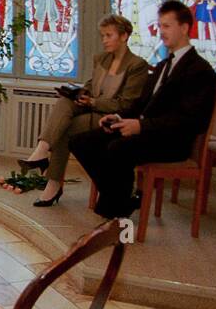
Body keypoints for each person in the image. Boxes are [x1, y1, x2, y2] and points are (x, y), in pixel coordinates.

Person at [70, 0, 216, 219]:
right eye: (160, 26)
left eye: (167, 26)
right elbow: (142, 103)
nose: (161, 32)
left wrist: (141, 126)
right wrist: (118, 117)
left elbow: (189, 119)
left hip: (171, 140)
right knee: (81, 142)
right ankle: (122, 200)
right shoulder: (163, 65)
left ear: (185, 28)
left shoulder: (199, 70)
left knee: (117, 148)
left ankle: (114, 212)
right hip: (149, 131)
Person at [18, 15, 150, 206]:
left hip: (112, 117)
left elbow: (126, 105)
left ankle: (52, 181)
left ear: (124, 36)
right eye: (102, 36)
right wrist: (80, 94)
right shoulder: (101, 59)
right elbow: (91, 85)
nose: (104, 40)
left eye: (108, 35)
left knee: (65, 128)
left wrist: (93, 102)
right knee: (65, 100)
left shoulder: (137, 65)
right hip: (92, 108)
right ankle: (43, 151)